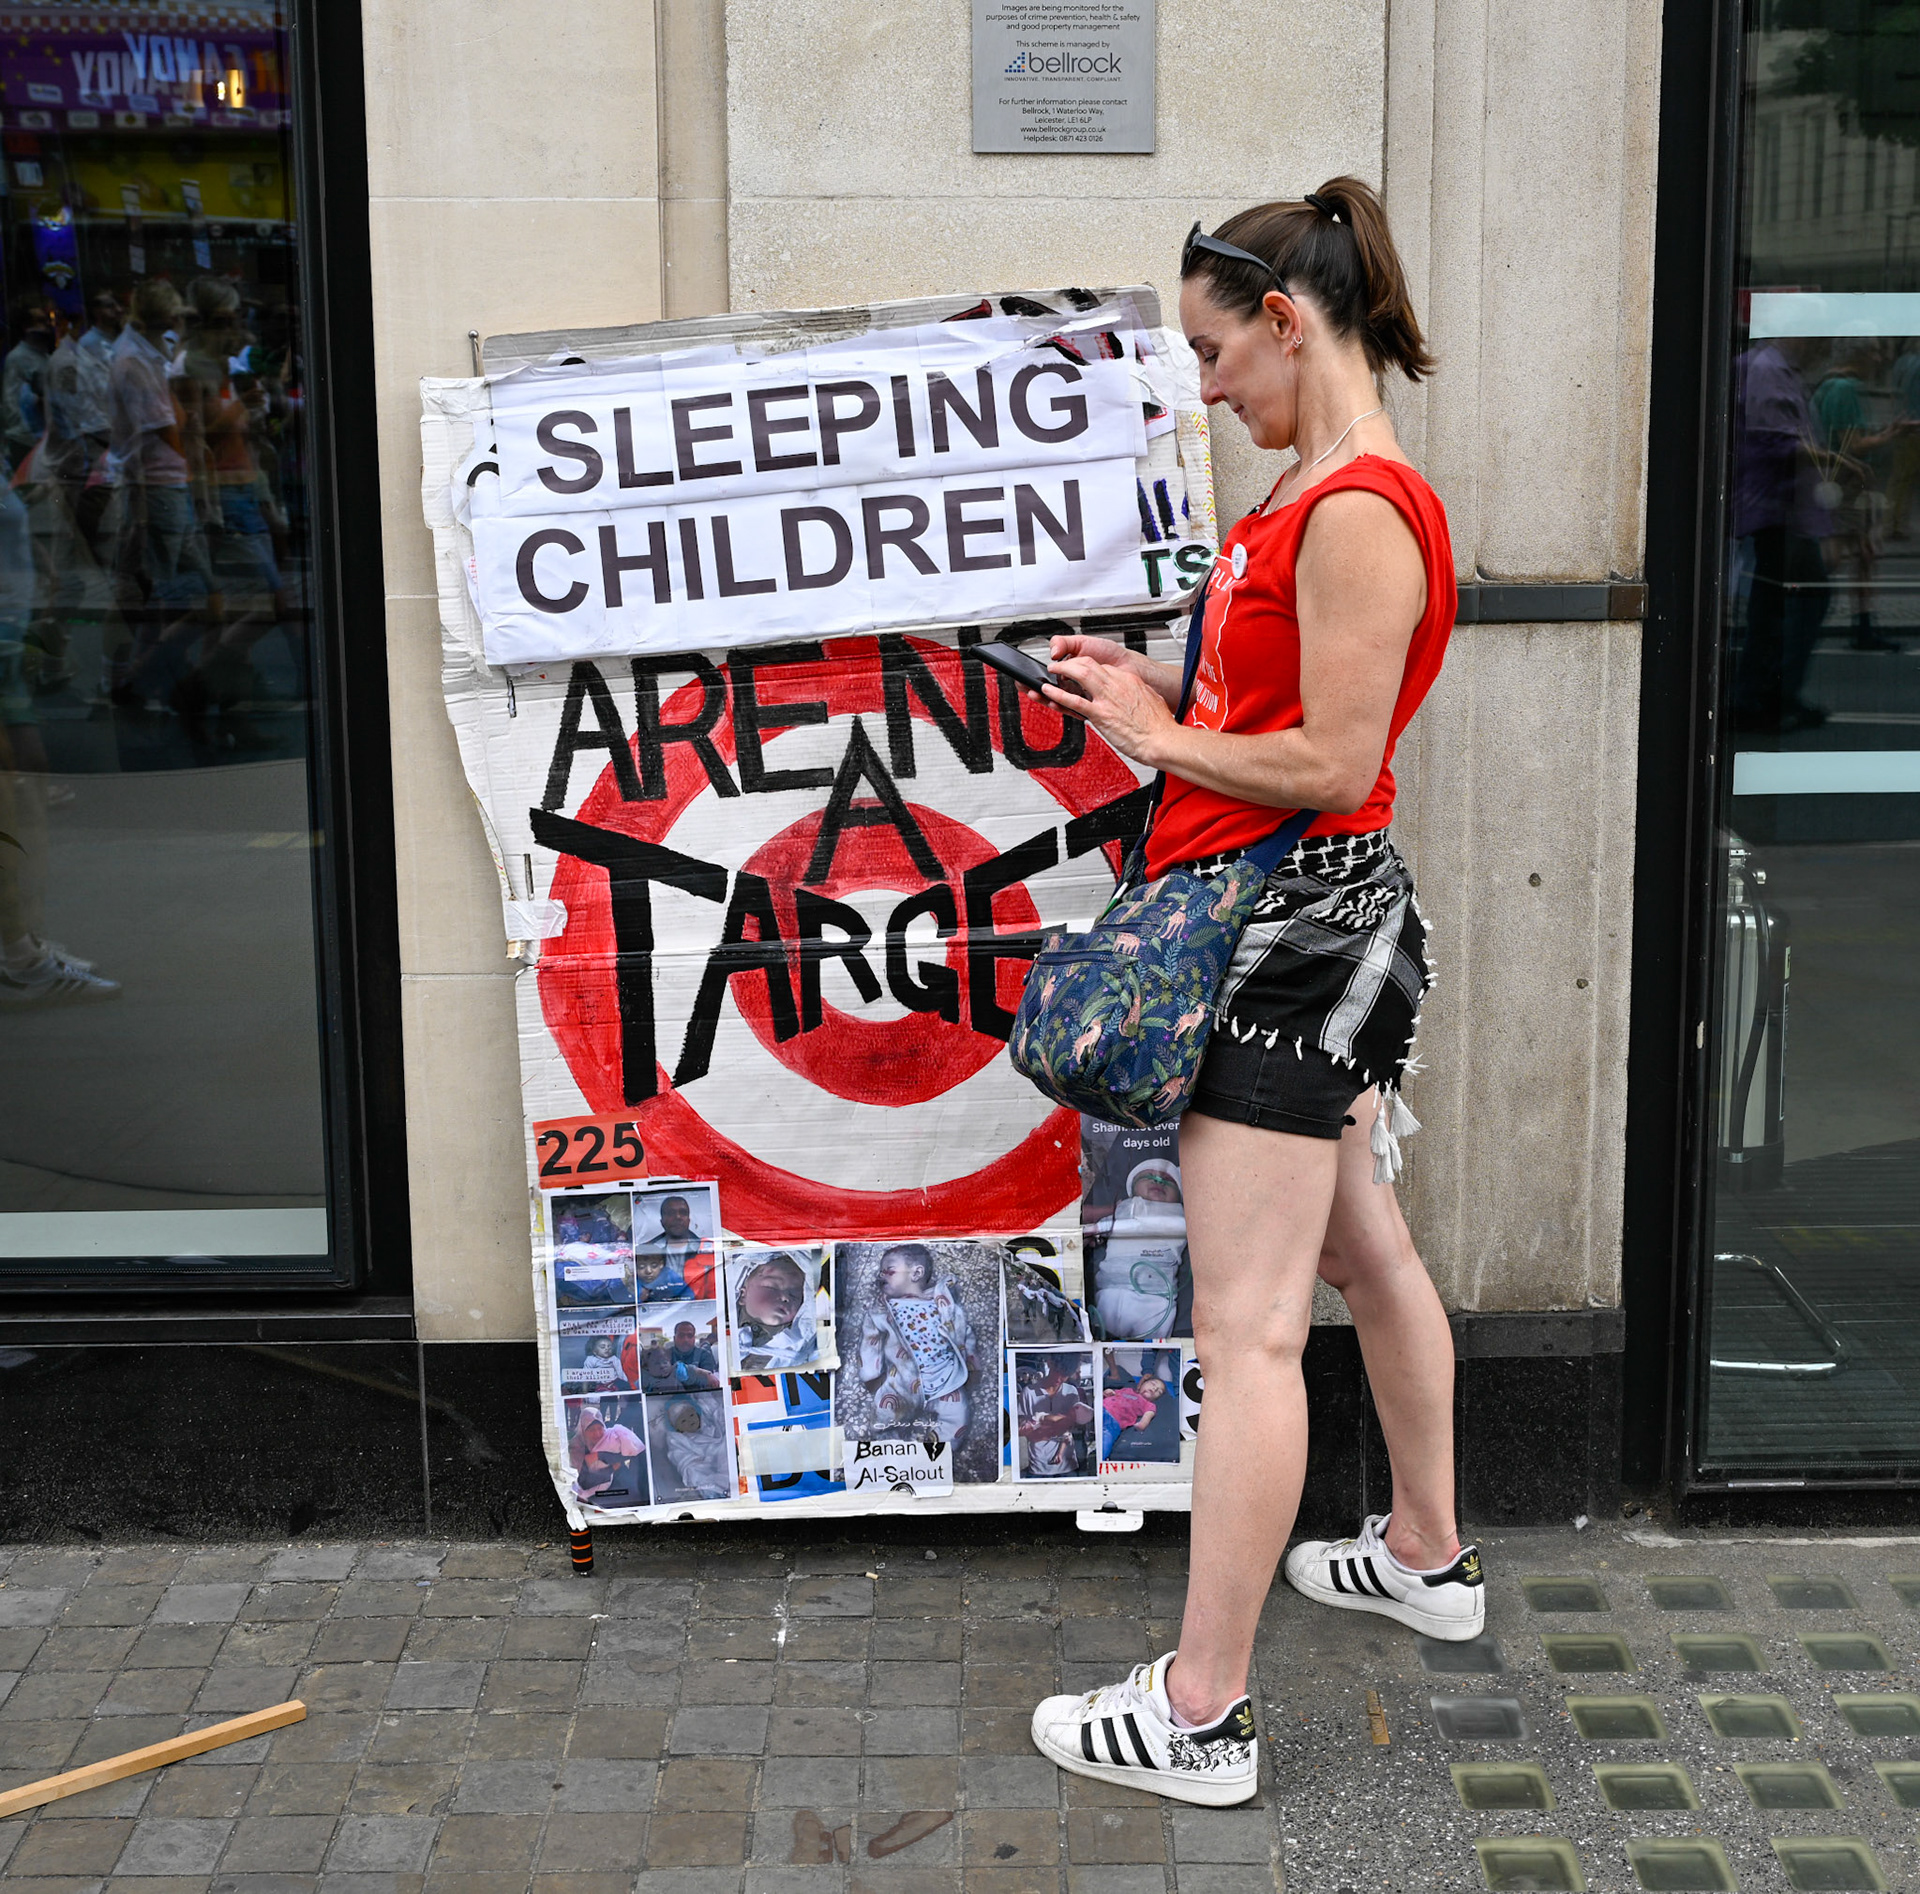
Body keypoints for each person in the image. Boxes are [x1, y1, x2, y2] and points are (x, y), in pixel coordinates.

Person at [1027, 179, 1482, 1808]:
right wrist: (1157, 682)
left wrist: (1158, 744)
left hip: (1287, 939)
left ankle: (1203, 1711)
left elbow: (1334, 761)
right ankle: (1428, 1552)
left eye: (1220, 353)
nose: (1205, 385)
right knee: (1365, 1248)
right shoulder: (1312, 487)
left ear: (1289, 322)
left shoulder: (1359, 506)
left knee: (1252, 1329)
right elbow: (1268, 699)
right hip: (1292, 926)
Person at [855, 1242, 976, 1443]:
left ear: (916, 1273)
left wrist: (972, 1365)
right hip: (902, 1382)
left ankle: (935, 1451)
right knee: (883, 1416)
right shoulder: (880, 1313)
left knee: (959, 1416)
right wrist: (870, 1374)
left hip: (945, 1381)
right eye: (880, 1271)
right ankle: (891, 1449)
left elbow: (964, 1333)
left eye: (888, 1271)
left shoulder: (944, 1305)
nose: (880, 1276)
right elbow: (870, 1342)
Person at [1091, 1159, 1188, 1340]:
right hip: (1111, 1290)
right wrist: (1092, 1233)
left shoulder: (1180, 1216)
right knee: (1102, 1345)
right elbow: (1103, 1226)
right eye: (1148, 1176)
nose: (1158, 1181)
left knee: (1150, 1351)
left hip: (1154, 1299)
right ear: (1132, 1188)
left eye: (1168, 1180)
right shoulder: (1123, 1209)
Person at [731, 1250, 821, 1370]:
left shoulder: (800, 1339)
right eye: (772, 1288)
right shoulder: (726, 1327)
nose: (785, 1297)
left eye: (794, 1295)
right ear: (743, 1295)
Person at [636, 1192, 716, 1299]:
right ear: (662, 1221)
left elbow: (714, 1295)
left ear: (688, 1220)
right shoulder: (644, 1251)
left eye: (683, 1213)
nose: (677, 1217)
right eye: (670, 1213)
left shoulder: (709, 1249)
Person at [659, 1395, 729, 1498]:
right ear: (678, 1429)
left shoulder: (709, 1425)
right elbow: (685, 1462)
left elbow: (721, 1419)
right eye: (683, 1421)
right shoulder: (681, 1441)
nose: (690, 1420)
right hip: (707, 1464)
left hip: (725, 1452)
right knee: (696, 1474)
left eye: (691, 1415)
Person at [1101, 1369, 1169, 1461]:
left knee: (1107, 1440)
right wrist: (1107, 1392)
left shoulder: (1149, 1404)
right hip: (1101, 1409)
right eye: (1153, 1384)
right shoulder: (1127, 1390)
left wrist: (1142, 1424)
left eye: (1158, 1391)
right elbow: (1110, 1393)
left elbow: (1148, 1415)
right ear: (1142, 1383)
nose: (1154, 1389)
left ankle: (1098, 1461)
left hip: (1114, 1423)